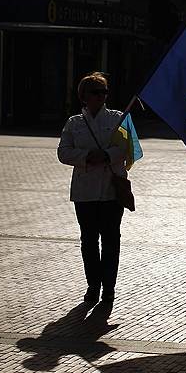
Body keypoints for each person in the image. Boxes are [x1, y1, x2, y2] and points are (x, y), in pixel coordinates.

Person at [57, 72, 129, 305]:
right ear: (84, 96)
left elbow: (128, 148)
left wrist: (107, 155)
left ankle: (109, 288)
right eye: (95, 92)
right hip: (84, 192)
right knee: (88, 241)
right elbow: (63, 152)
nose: (101, 96)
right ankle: (93, 286)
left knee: (111, 240)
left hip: (111, 191)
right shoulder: (74, 123)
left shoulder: (119, 118)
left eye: (104, 92)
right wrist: (87, 156)